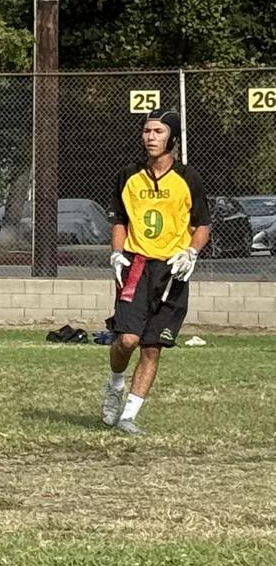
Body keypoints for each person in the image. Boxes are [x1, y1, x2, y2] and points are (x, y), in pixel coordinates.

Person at [101, 109, 210, 435]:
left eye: (158, 132)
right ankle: (115, 384)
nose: (150, 137)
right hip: (136, 266)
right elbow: (120, 219)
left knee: (152, 346)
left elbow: (202, 225)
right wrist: (117, 254)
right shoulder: (128, 175)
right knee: (128, 340)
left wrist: (191, 252)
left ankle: (129, 416)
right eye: (147, 131)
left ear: (172, 138)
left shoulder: (188, 178)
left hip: (172, 271)